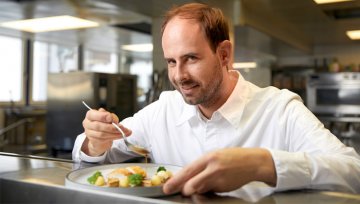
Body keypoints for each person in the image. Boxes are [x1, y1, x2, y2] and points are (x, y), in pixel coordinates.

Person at [72, 3, 360, 196]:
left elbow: (353, 171)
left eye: (191, 59)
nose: (179, 75)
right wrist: (95, 142)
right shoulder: (163, 111)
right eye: (171, 62)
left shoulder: (279, 109)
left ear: (224, 55)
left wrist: (264, 164)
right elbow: (92, 159)